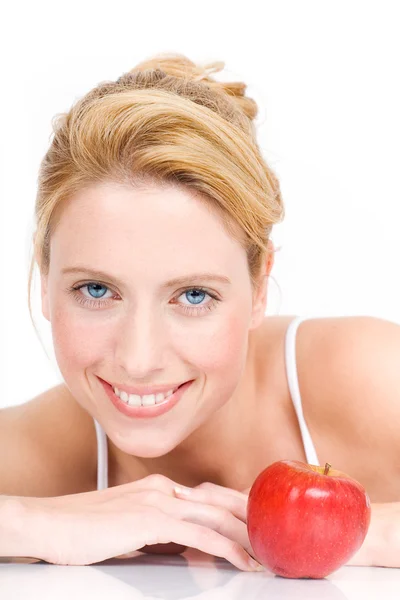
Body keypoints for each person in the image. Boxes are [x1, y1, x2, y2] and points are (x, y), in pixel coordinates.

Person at [1, 53, 399, 571]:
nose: (139, 360)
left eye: (193, 296)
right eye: (97, 290)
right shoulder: (43, 450)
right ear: (45, 280)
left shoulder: (365, 376)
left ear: (258, 287)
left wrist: (338, 536)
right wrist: (30, 522)